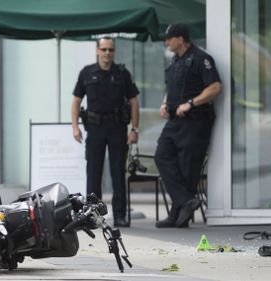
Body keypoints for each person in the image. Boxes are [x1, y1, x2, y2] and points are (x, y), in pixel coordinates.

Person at [154, 24, 221, 228]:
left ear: (181, 39)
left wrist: (191, 103)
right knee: (162, 155)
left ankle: (178, 215)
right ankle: (186, 201)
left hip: (196, 120)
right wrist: (165, 103)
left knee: (187, 168)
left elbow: (215, 87)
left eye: (169, 38)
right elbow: (171, 88)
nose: (166, 42)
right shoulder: (175, 60)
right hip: (175, 120)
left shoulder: (202, 59)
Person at [71, 37, 140, 228]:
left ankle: (120, 215)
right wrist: (75, 126)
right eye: (104, 49)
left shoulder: (122, 73)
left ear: (114, 52)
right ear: (97, 51)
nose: (107, 53)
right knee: (93, 172)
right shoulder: (87, 72)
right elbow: (76, 100)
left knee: (118, 172)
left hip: (118, 127)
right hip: (94, 128)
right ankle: (93, 215)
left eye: (110, 50)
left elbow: (133, 102)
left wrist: (134, 129)